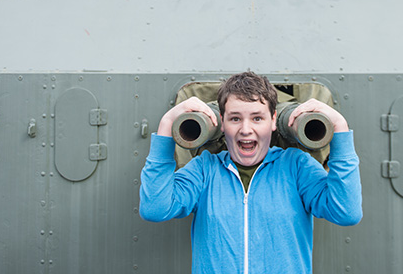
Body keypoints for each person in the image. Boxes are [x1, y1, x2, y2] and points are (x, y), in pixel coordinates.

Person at [140, 71, 362, 274]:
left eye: (257, 118)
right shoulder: (204, 170)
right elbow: (155, 208)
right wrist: (167, 123)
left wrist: (339, 126)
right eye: (235, 118)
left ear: (273, 120)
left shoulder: (296, 167)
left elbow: (346, 212)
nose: (246, 130)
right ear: (223, 123)